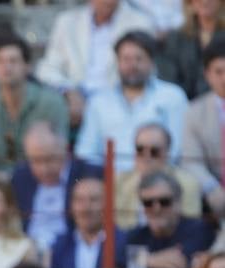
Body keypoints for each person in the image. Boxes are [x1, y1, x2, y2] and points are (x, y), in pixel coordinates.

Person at [74, 31, 190, 174]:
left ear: (152, 62)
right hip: (110, 182)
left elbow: (177, 149)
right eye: (126, 59)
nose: (132, 65)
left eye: (139, 59)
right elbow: (86, 152)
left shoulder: (172, 96)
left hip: (159, 180)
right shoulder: (99, 101)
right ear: (118, 62)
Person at [0, 33, 70, 178]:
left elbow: (57, 154)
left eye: (13, 61)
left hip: (39, 180)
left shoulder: (52, 103)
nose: (6, 67)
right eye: (0, 61)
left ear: (27, 66)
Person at [34, 0, 153, 128]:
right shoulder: (67, 22)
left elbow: (142, 71)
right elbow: (47, 68)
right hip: (73, 99)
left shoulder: (140, 22)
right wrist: (69, 91)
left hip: (117, 101)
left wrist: (101, 103)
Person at [9, 122, 102, 255]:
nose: (44, 168)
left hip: (69, 254)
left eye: (50, 159)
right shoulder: (20, 177)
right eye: (36, 161)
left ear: (65, 150)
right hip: (28, 253)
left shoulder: (87, 174)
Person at [113, 122, 202, 228]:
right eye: (140, 149)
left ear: (167, 153)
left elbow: (191, 227)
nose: (146, 156)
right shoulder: (120, 182)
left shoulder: (188, 185)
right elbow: (116, 227)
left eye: (154, 151)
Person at [127, 170, 214, 268]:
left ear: (179, 202)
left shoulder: (199, 229)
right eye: (148, 203)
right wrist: (149, 260)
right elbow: (119, 258)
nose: (156, 209)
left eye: (164, 202)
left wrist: (142, 260)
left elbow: (182, 262)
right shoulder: (137, 236)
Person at [181, 34, 225, 218]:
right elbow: (191, 160)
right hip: (212, 193)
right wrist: (212, 188)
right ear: (207, 75)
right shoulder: (194, 111)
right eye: (219, 72)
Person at [50, 177, 128, 268]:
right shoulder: (60, 245)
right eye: (79, 200)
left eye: (94, 200)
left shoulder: (125, 242)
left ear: (108, 204)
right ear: (72, 205)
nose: (86, 207)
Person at [155, 0, 224, 100]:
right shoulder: (176, 38)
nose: (205, 1)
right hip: (184, 105)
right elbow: (168, 78)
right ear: (190, 2)